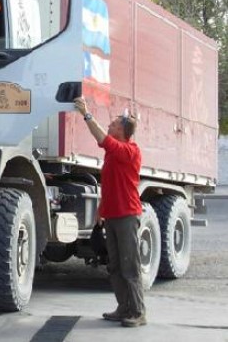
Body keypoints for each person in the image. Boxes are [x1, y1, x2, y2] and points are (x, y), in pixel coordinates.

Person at [73, 96, 146, 328]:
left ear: (122, 131)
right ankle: (123, 307)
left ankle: (138, 312)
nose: (109, 126)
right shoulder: (113, 154)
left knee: (129, 265)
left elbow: (103, 140)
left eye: (113, 124)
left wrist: (87, 114)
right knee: (114, 265)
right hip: (113, 216)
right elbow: (109, 184)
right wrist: (100, 210)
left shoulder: (129, 151)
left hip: (127, 215)